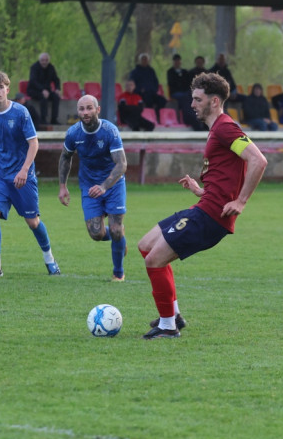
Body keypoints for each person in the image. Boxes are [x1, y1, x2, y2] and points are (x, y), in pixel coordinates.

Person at [137, 71, 267, 338]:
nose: (192, 104)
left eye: (197, 99)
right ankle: (173, 315)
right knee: (145, 245)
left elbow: (258, 161)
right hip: (205, 206)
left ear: (215, 101)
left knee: (154, 260)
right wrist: (201, 190)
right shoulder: (217, 129)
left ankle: (167, 327)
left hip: (211, 217)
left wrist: (241, 201)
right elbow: (227, 174)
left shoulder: (225, 127)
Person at [0, 71, 60, 277]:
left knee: (33, 222)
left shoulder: (21, 112)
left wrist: (24, 170)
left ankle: (49, 259)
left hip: (23, 176)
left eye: (0, 87)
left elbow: (34, 143)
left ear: (7, 89)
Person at [58, 94, 129, 281]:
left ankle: (118, 273)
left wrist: (105, 186)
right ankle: (120, 240)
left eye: (89, 108)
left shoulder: (109, 131)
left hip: (112, 184)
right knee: (96, 233)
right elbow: (65, 157)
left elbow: (121, 164)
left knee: (115, 228)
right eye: (81, 109)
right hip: (89, 186)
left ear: (98, 110)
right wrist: (62, 186)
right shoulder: (73, 133)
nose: (85, 112)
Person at [26, 52, 61, 126]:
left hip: (47, 91)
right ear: (39, 60)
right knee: (43, 97)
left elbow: (56, 79)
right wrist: (42, 90)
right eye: (42, 60)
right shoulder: (34, 67)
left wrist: (58, 88)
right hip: (34, 90)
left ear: (48, 60)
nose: (44, 62)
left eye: (46, 60)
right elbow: (33, 81)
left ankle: (54, 119)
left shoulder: (51, 67)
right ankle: (43, 119)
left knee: (56, 97)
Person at [166, 53, 191, 122]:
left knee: (189, 96)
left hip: (185, 92)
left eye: (178, 60)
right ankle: (186, 118)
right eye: (175, 60)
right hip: (175, 92)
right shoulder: (170, 72)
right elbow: (171, 83)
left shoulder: (185, 72)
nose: (177, 62)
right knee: (185, 97)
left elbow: (187, 83)